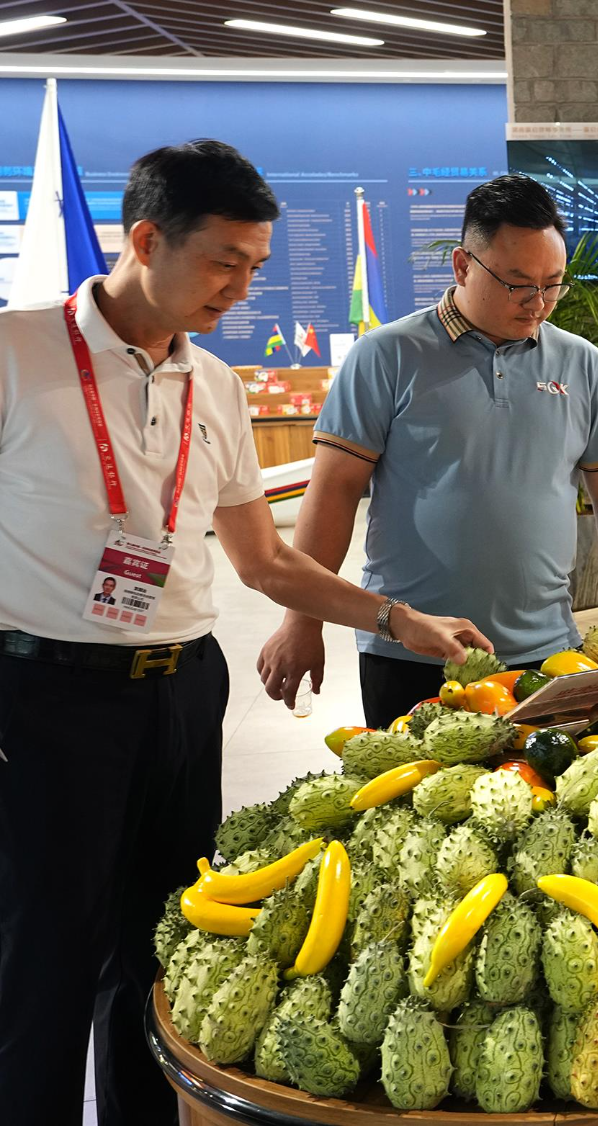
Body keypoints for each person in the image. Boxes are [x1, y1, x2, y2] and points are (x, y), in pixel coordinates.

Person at [0, 139, 488, 1126]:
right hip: (42, 696)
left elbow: (264, 563)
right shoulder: (15, 356)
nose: (242, 284)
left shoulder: (214, 385)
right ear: (146, 239)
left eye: (257, 265)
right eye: (225, 259)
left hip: (182, 691)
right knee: (42, 948)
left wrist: (396, 616)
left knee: (161, 945)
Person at [257, 173, 598, 729]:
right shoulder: (386, 356)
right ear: (463, 266)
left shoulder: (581, 363)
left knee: (537, 809)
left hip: (547, 654)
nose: (538, 303)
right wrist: (303, 621)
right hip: (411, 651)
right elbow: (335, 492)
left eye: (553, 284)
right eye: (518, 283)